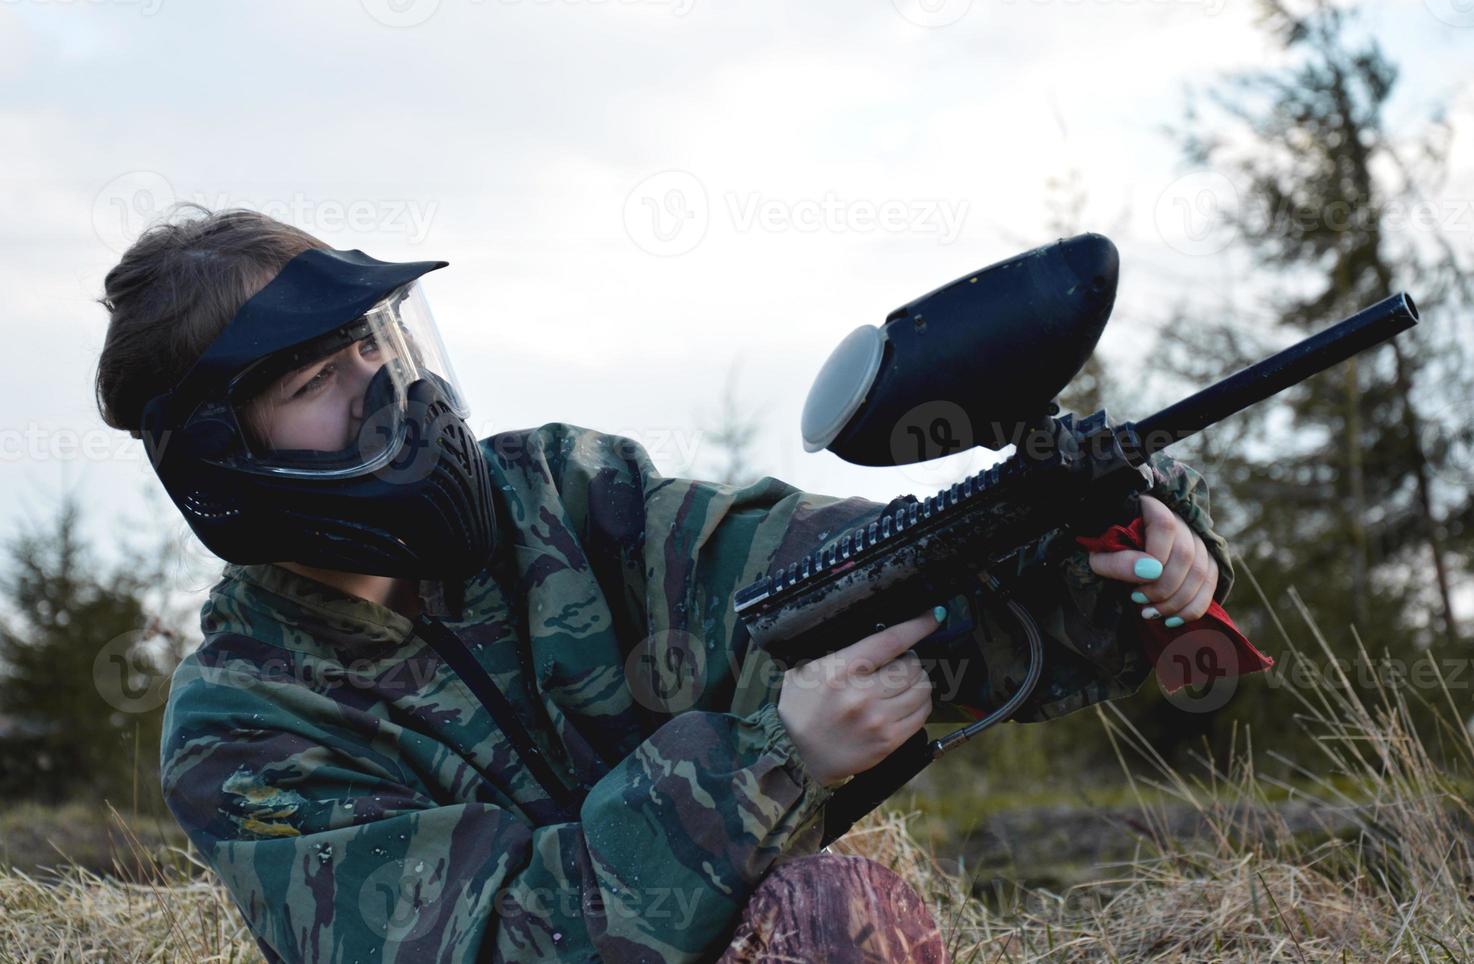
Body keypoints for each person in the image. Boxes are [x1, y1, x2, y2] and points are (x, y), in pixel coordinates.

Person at [95, 206, 1235, 963]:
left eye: (377, 345)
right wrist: (776, 758)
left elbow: (837, 574)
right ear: (221, 455)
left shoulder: (559, 497)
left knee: (825, 911)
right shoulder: (245, 724)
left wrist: (1102, 546)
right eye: (318, 376)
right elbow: (494, 943)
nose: (386, 388)